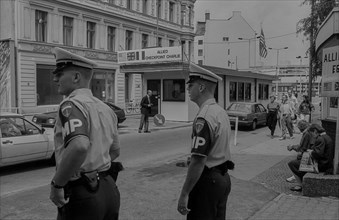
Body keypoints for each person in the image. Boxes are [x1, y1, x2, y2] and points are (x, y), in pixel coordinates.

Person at [49, 47, 120, 220]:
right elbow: (115, 151)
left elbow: (79, 146)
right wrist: (96, 165)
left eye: (60, 74)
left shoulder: (71, 105)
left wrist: (57, 184)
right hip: (108, 189)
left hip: (83, 194)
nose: (55, 78)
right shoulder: (105, 108)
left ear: (75, 77)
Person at [177, 63, 234, 220]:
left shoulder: (204, 116)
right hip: (223, 178)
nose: (188, 89)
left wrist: (184, 193)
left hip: (208, 182)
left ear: (201, 87)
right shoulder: (220, 111)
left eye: (191, 85)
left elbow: (198, 160)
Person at [288, 124, 334, 192]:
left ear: (315, 131)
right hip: (327, 164)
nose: (312, 136)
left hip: (321, 165)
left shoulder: (320, 139)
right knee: (299, 161)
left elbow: (318, 154)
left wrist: (311, 152)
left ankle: (300, 185)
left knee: (292, 163)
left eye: (312, 134)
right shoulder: (327, 137)